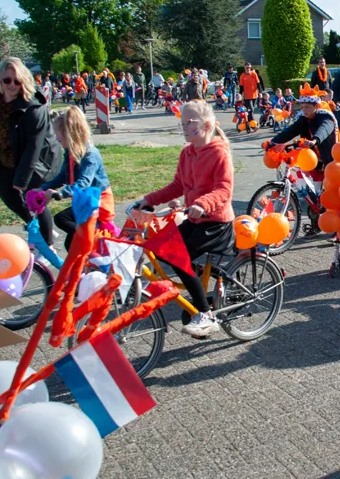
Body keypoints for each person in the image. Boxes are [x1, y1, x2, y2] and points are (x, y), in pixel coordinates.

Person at [138, 101, 235, 337]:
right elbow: (178, 185)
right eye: (181, 123)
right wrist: (149, 199)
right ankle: (201, 273)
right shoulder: (187, 152)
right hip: (195, 219)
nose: (183, 127)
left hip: (216, 222)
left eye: (189, 123)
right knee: (163, 249)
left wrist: (203, 204)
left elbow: (224, 190)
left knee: (178, 256)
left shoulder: (219, 153)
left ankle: (206, 315)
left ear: (207, 125)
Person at [0, 57, 62, 247]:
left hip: (41, 159)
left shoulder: (33, 108)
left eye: (17, 81)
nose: (11, 85)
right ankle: (35, 225)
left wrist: (21, 181)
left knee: (33, 197)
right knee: (6, 192)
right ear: (0, 80)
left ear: (24, 81)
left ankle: (47, 244)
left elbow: (33, 148)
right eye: (7, 80)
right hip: (9, 157)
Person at [42, 106, 114, 250]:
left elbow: (84, 182)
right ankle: (84, 265)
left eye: (59, 134)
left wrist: (60, 193)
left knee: (61, 218)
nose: (57, 138)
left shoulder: (90, 154)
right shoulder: (70, 153)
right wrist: (42, 188)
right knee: (70, 245)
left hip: (99, 203)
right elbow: (62, 176)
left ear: (69, 134)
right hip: (85, 203)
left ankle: (91, 238)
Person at [270, 83, 338, 166]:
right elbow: (291, 131)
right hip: (312, 158)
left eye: (307, 107)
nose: (304, 110)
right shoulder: (304, 117)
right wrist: (272, 142)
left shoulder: (325, 116)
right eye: (302, 107)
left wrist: (314, 140)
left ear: (316, 106)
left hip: (330, 157)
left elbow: (325, 128)